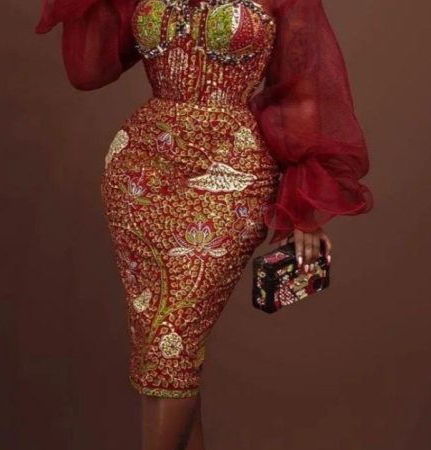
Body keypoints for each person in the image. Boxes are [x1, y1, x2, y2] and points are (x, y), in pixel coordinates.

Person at [35, 0, 373, 448]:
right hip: (140, 176)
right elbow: (88, 70)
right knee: (163, 349)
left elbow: (305, 91)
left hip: (230, 175)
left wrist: (304, 209)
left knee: (172, 342)